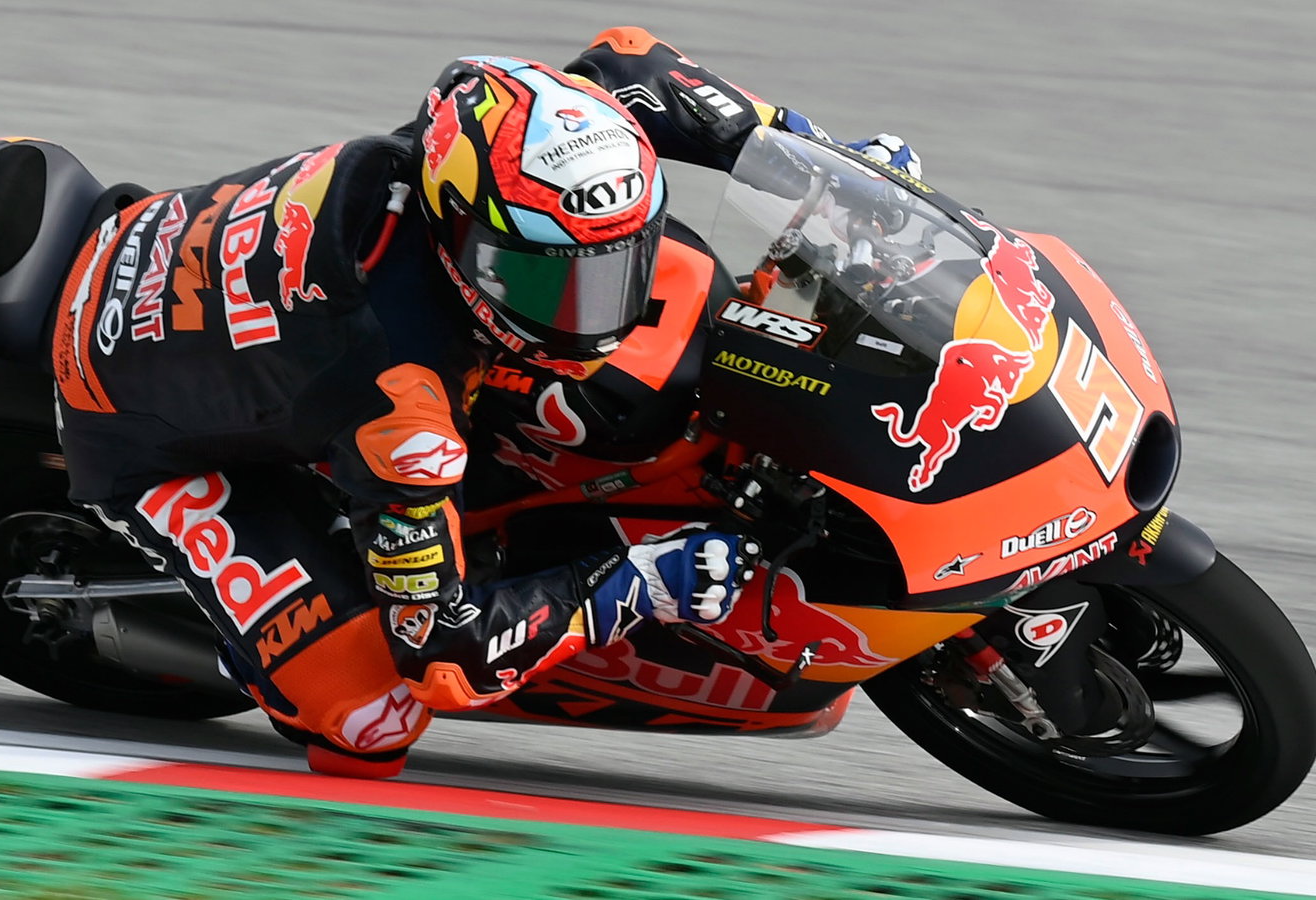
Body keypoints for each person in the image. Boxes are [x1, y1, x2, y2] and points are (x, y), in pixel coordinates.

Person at [49, 26, 917, 777]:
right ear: (461, 231)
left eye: (617, 264)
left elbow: (628, 60)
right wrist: (642, 582)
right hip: (123, 411)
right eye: (548, 281)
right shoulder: (402, 408)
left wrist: (826, 161)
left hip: (196, 279)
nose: (595, 312)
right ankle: (262, 653)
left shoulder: (493, 130)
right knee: (372, 720)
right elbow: (444, 650)